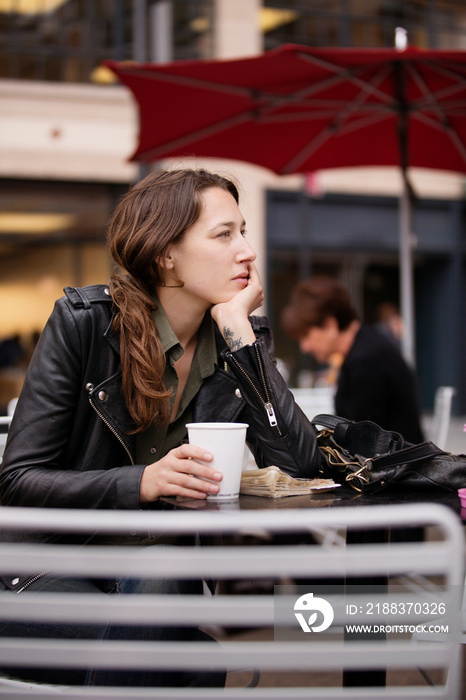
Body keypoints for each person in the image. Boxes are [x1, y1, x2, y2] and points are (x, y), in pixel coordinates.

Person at [0, 168, 321, 688]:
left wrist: (243, 336)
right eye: (224, 235)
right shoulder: (84, 323)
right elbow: (17, 483)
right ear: (165, 254)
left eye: (243, 232)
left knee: (167, 570)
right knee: (193, 664)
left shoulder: (234, 341)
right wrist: (142, 482)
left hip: (159, 578)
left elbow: (299, 463)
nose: (247, 251)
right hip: (41, 571)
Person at [281, 276, 424, 444]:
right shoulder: (366, 347)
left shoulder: (366, 361)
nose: (305, 347)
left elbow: (361, 440)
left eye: (306, 335)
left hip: (397, 467)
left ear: (330, 325)